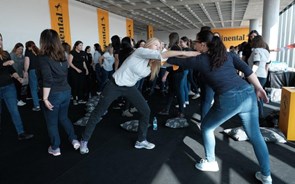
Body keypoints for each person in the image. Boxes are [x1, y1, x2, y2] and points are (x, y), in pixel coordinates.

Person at [167, 31, 272, 184]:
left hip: (229, 98)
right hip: (248, 93)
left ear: (203, 44)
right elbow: (248, 71)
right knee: (255, 136)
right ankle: (266, 176)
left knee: (207, 127)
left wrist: (185, 53)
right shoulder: (228, 55)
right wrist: (259, 88)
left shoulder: (200, 60)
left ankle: (211, 161)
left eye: (196, 42)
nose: (194, 44)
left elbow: (170, 58)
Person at [79, 37, 199, 154]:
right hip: (114, 85)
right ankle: (84, 140)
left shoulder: (153, 62)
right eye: (156, 45)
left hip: (130, 88)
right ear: (149, 45)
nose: (158, 48)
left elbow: (174, 59)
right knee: (98, 113)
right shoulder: (140, 51)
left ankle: (141, 140)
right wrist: (190, 53)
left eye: (160, 46)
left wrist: (195, 57)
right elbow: (167, 54)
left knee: (146, 111)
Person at [38, 29, 80, 156]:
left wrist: (45, 99)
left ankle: (55, 148)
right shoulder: (62, 55)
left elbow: (48, 79)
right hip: (66, 91)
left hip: (53, 94)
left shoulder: (43, 58)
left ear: (43, 41)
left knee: (52, 122)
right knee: (63, 117)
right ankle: (73, 139)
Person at [0, 33, 34, 140]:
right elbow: (5, 66)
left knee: (14, 110)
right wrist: (3, 64)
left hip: (8, 86)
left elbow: (10, 70)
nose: (0, 42)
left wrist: (18, 77)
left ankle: (21, 133)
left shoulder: (5, 54)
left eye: (0, 39)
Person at [247, 35, 270, 120]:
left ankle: (257, 116)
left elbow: (256, 62)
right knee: (259, 95)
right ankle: (260, 115)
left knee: (254, 96)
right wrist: (266, 74)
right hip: (263, 76)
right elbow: (268, 64)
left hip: (256, 76)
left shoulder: (256, 50)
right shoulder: (266, 52)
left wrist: (251, 73)